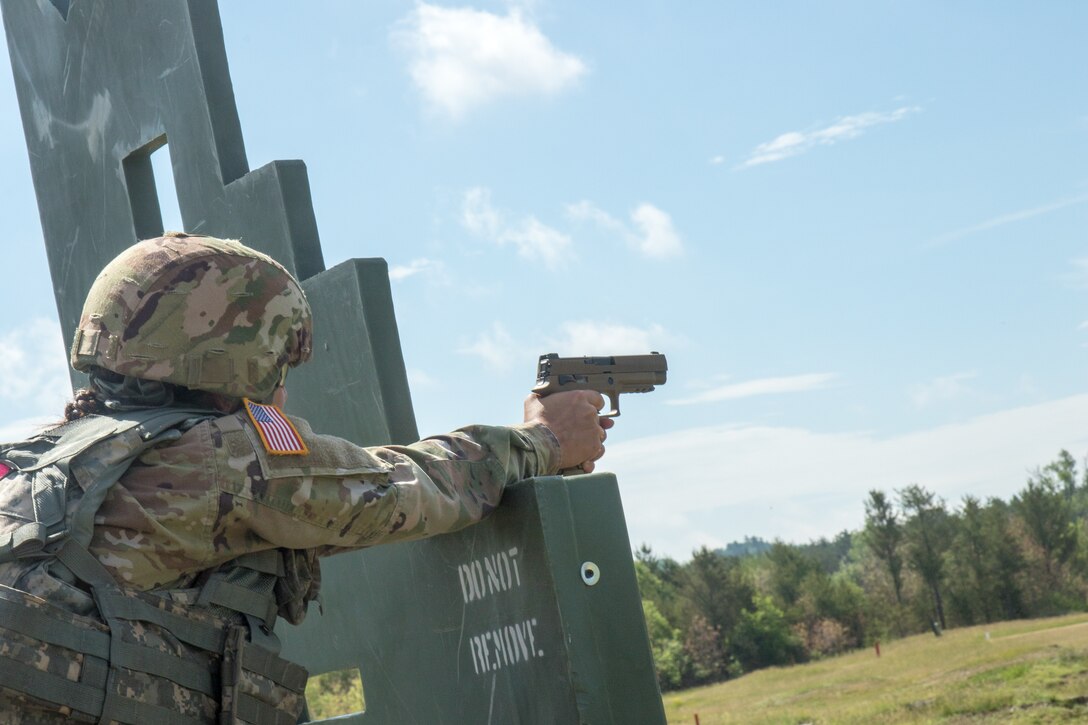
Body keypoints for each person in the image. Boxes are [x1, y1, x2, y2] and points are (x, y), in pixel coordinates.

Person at [0, 232, 611, 723]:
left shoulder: (31, 456)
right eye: (276, 362)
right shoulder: (225, 459)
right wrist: (544, 440)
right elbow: (410, 487)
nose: (284, 388)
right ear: (232, 359)